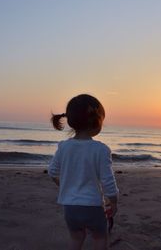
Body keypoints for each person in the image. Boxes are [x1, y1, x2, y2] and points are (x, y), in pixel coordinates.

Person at [48, 94, 119, 250]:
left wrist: (64, 186)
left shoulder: (64, 147)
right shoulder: (101, 149)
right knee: (100, 237)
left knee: (76, 237)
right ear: (96, 121)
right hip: (93, 207)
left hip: (70, 208)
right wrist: (113, 201)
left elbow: (52, 172)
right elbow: (108, 181)